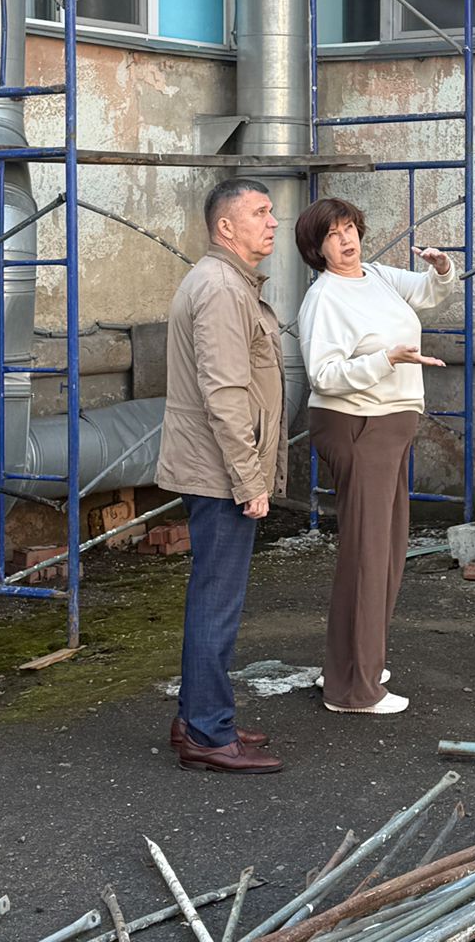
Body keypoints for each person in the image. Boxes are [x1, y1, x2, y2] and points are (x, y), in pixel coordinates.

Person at [295, 197, 456, 715]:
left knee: (386, 553)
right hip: (358, 424)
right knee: (367, 556)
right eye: (332, 234)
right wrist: (386, 359)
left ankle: (354, 664)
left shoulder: (378, 275)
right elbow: (324, 375)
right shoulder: (325, 298)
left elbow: (429, 293)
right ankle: (352, 690)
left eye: (349, 228)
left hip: (388, 425)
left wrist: (441, 268)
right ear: (316, 249)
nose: (346, 240)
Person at [155, 178, 287, 773]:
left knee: (213, 595)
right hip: (220, 471)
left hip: (215, 468)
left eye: (272, 212)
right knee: (217, 601)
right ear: (225, 227)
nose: (273, 221)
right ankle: (209, 733)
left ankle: (197, 718)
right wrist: (250, 479)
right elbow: (225, 394)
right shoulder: (221, 288)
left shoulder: (227, 282)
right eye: (260, 212)